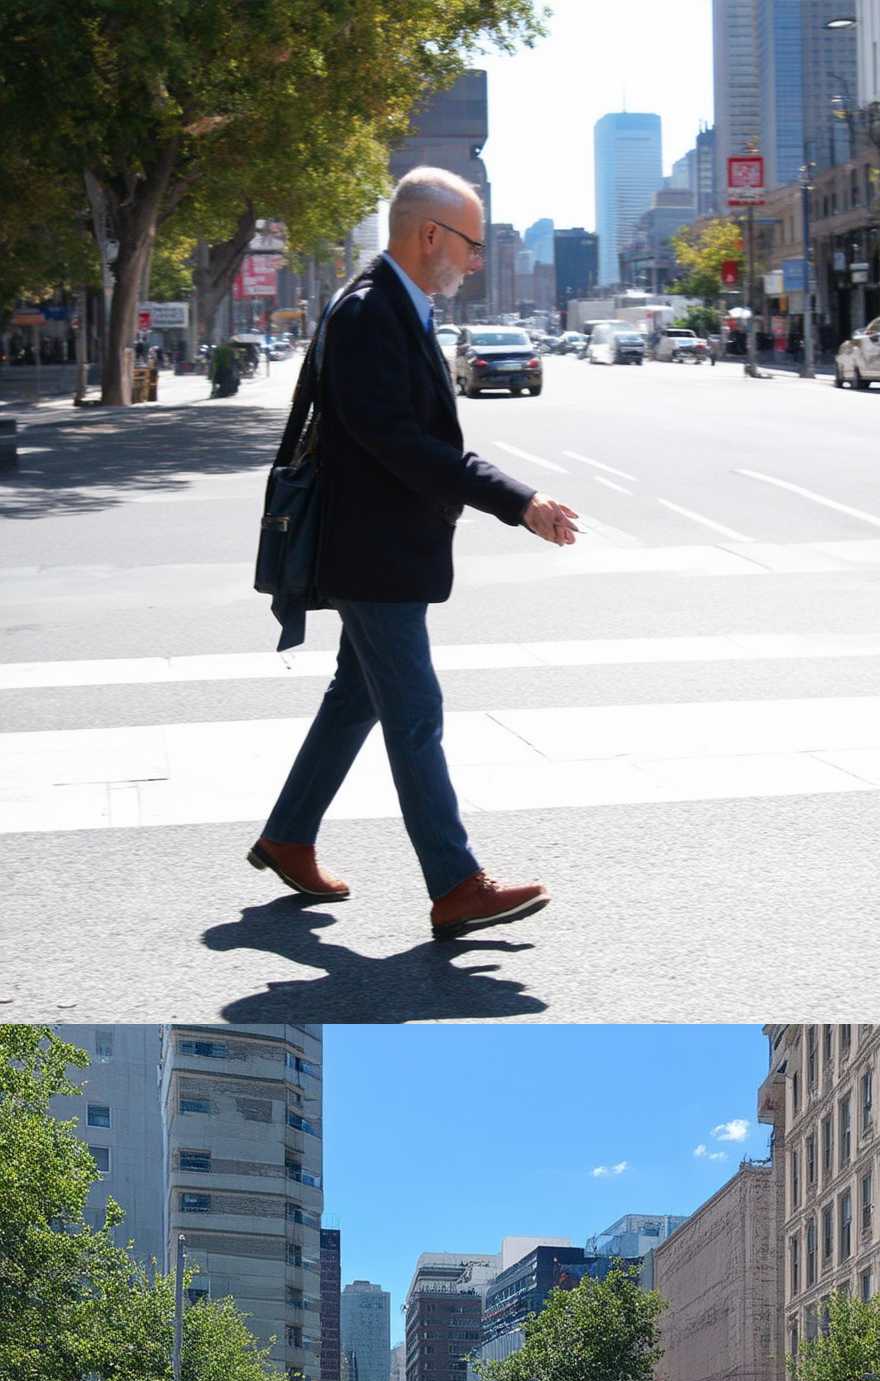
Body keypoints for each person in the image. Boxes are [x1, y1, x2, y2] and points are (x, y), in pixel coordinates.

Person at [249, 166, 580, 942]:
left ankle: (288, 836)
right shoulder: (370, 312)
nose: (473, 259)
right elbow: (401, 444)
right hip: (373, 553)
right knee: (415, 712)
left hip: (382, 547)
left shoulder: (398, 305)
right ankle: (456, 883)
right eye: (469, 242)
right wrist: (518, 501)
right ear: (429, 234)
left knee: (356, 696)